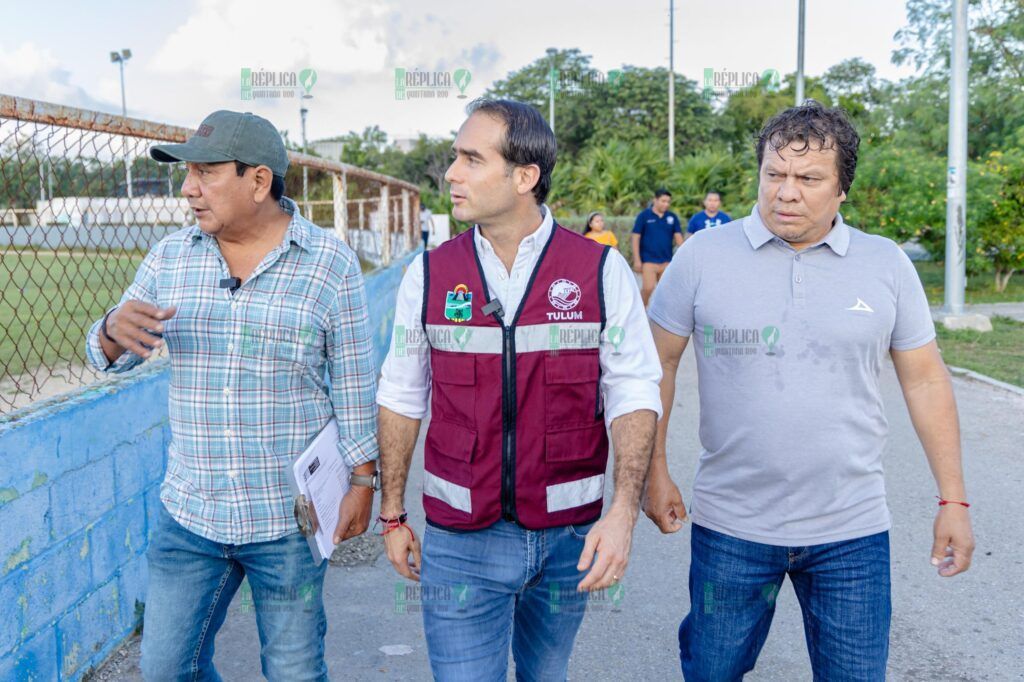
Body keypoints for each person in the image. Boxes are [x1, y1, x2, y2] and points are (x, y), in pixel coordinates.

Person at [643, 100, 975, 681]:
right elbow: (655, 367)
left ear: (842, 188)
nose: (785, 192)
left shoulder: (886, 264)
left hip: (852, 533)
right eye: (775, 174)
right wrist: (653, 471)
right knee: (710, 672)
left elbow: (924, 380)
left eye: (808, 178)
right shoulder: (701, 256)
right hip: (731, 528)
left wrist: (953, 500)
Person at [85, 110, 380, 681]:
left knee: (295, 671)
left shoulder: (329, 265)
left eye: (206, 172)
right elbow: (105, 354)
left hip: (287, 521)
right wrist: (110, 331)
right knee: (167, 669)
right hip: (190, 516)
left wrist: (364, 483)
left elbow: (353, 384)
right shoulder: (171, 257)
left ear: (259, 181)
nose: (188, 188)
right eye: (186, 173)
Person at [375, 98, 662, 681]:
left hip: (570, 537)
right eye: (455, 157)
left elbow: (634, 391)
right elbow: (402, 394)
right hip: (460, 540)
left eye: (470, 159)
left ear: (524, 176)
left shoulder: (600, 271)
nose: (451, 173)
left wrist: (624, 512)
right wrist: (392, 513)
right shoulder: (429, 274)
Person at [631, 188, 683, 306]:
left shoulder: (672, 217)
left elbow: (678, 238)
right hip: (648, 260)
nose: (666, 204)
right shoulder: (644, 216)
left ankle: (664, 318)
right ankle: (640, 312)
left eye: (668, 202)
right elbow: (635, 238)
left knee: (667, 292)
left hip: (666, 262)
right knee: (648, 288)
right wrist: (637, 260)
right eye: (663, 201)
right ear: (655, 200)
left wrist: (685, 254)